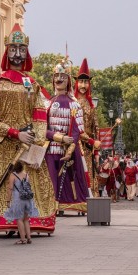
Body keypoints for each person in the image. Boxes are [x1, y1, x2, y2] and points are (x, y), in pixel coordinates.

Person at [0, 23, 56, 234]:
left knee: (32, 184)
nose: (17, 54)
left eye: (22, 50)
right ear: (7, 52)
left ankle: (30, 224)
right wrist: (14, 133)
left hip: (27, 145)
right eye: (13, 49)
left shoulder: (32, 84)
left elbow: (40, 114)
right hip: (2, 144)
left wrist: (36, 139)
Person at [45, 58, 96, 215]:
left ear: (68, 81)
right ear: (52, 79)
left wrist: (70, 145)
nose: (59, 79)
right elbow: (42, 129)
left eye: (63, 77)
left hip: (70, 150)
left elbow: (77, 131)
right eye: (56, 76)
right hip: (50, 148)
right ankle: (51, 206)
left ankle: (71, 204)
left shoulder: (75, 104)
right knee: (51, 180)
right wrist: (57, 137)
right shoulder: (47, 103)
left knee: (72, 179)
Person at [74, 58, 102, 197]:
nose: (83, 85)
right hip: (76, 145)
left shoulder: (92, 106)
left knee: (90, 174)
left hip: (89, 148)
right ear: (76, 83)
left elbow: (96, 130)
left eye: (86, 82)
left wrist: (96, 152)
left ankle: (90, 200)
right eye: (81, 81)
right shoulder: (73, 103)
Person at [4, 161, 39, 244]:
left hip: (18, 199)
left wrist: (8, 200)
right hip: (27, 199)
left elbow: (10, 189)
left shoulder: (13, 175)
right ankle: (29, 237)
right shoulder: (26, 175)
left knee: (19, 219)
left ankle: (23, 239)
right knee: (26, 219)